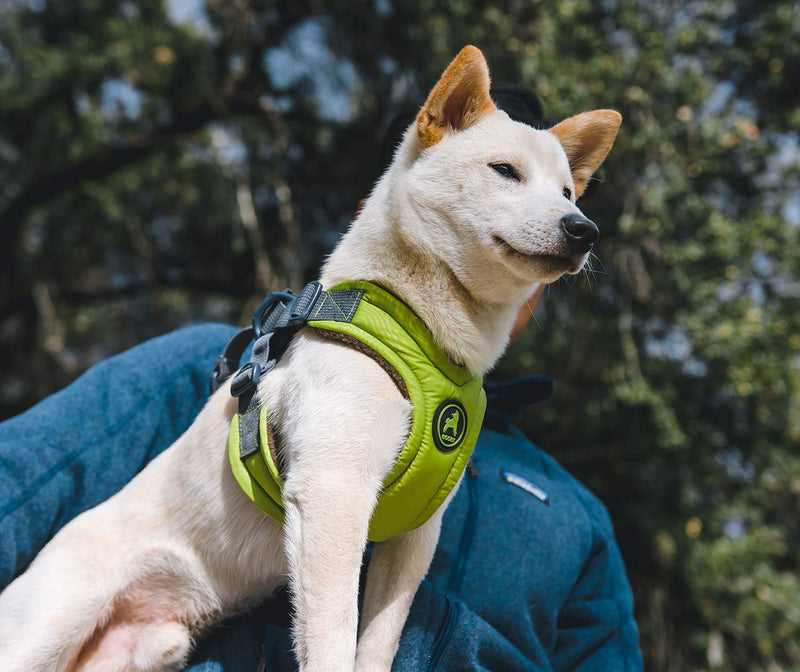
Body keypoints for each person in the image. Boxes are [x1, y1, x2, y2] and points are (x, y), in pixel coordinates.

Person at [0, 86, 643, 671]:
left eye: (565, 193)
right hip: (109, 574)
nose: (562, 215)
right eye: (506, 173)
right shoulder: (210, 361)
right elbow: (22, 476)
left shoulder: (574, 514)